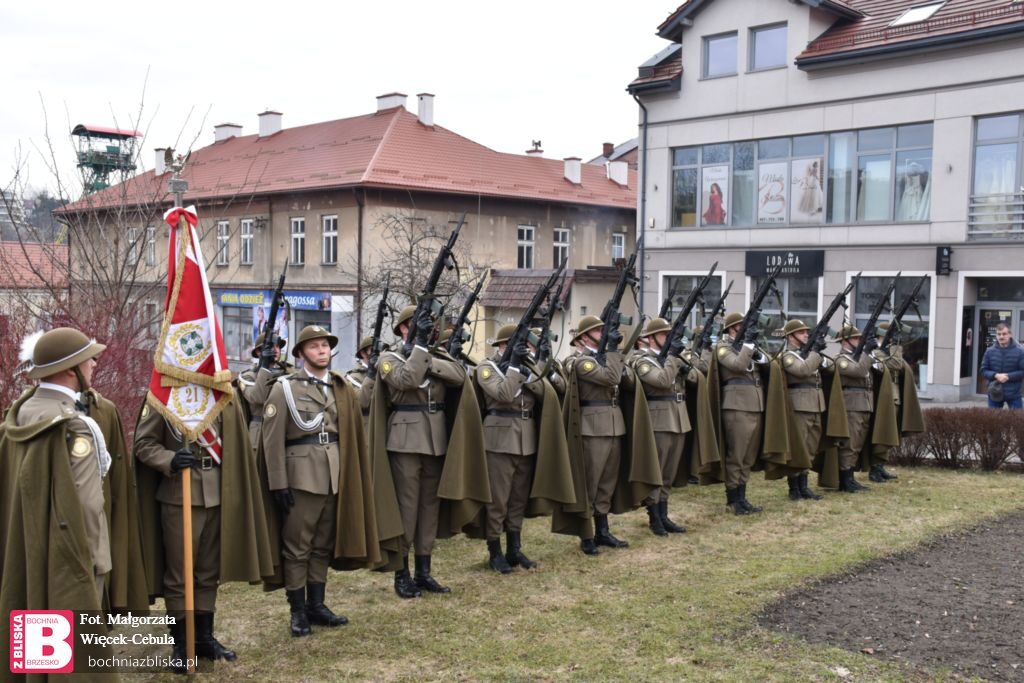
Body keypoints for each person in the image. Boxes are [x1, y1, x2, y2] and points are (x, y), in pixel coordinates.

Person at [134, 376, 274, 670]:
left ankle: (204, 637)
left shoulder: (223, 395)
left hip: (219, 491)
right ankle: (181, 643)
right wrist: (170, 459)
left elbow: (236, 442)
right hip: (180, 493)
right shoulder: (162, 395)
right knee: (180, 574)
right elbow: (143, 444)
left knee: (208, 572)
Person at [262, 325, 384, 637]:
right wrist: (278, 483)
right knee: (297, 546)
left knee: (321, 545)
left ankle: (317, 605)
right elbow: (272, 441)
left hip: (335, 473)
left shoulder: (339, 386)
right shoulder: (284, 388)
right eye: (314, 346)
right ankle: (297, 611)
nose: (321, 351)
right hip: (301, 476)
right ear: (301, 353)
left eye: (325, 345)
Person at [373, 305, 488, 598]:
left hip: (436, 440)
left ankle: (424, 572)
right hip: (405, 441)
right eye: (419, 324)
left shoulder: (435, 355)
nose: (430, 328)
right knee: (407, 510)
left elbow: (459, 375)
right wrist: (420, 350)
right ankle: (402, 574)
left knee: (429, 510)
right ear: (403, 328)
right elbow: (406, 380)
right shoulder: (389, 358)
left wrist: (426, 356)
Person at [1, 329, 111, 606]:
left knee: (33, 628)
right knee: (75, 631)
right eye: (88, 359)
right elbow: (86, 503)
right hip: (70, 557)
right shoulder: (74, 426)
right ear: (70, 370)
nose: (93, 364)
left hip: (24, 547)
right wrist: (90, 559)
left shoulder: (20, 413)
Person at [473, 325, 573, 573]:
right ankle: (495, 551)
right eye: (522, 345)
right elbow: (504, 393)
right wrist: (515, 367)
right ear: (503, 345)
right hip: (498, 439)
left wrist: (532, 368)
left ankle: (514, 549)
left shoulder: (528, 367)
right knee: (498, 500)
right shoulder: (487, 368)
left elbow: (547, 391)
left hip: (526, 438)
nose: (527, 349)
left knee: (518, 499)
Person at [557, 315, 659, 555]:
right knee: (590, 483)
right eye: (598, 331)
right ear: (584, 338)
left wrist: (615, 356)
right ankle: (586, 534)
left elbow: (630, 382)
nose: (603, 334)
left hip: (615, 424)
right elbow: (610, 378)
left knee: (607, 483)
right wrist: (613, 352)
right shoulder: (581, 362)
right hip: (592, 428)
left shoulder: (606, 358)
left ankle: (602, 530)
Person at [631, 318, 691, 536]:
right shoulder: (643, 362)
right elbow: (663, 381)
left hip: (678, 418)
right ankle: (654, 517)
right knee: (657, 471)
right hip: (659, 420)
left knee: (669, 472)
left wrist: (680, 361)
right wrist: (672, 357)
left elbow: (693, 377)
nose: (668, 338)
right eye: (664, 334)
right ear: (651, 338)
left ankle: (664, 514)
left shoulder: (669, 359)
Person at [714, 313, 765, 514]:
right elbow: (738, 365)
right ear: (732, 329)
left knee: (748, 457)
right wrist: (748, 344)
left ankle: (742, 498)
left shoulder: (746, 346)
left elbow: (767, 361)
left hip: (755, 405)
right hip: (737, 406)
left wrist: (753, 346)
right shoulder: (723, 347)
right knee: (737, 455)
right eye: (741, 327)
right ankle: (733, 500)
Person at [777, 320, 825, 501]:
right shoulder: (788, 356)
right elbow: (803, 370)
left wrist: (816, 351)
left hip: (816, 404)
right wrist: (815, 352)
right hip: (800, 405)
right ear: (791, 336)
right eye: (801, 332)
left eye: (807, 332)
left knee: (810, 447)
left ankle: (804, 486)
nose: (806, 335)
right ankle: (794, 488)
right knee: (799, 447)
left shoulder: (806, 354)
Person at [834, 326, 874, 492]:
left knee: (857, 444)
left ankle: (851, 477)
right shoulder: (841, 360)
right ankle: (845, 479)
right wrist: (867, 352)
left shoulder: (857, 358)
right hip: (851, 405)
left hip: (864, 404)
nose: (859, 341)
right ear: (845, 341)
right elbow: (859, 371)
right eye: (856, 338)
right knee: (849, 444)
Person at [237, 332, 291, 447]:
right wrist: (265, 367)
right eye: (271, 346)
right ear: (258, 352)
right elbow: (258, 397)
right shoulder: (248, 376)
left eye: (278, 346)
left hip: (286, 432)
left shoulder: (289, 373)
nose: (275, 350)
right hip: (260, 433)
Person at [980, 322, 1024, 410]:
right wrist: (996, 375)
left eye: (1004, 334)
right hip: (994, 391)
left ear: (1010, 334)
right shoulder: (989, 351)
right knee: (993, 418)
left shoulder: (1020, 351)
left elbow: (1022, 371)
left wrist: (1008, 376)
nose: (1001, 336)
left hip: (1014, 393)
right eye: (999, 334)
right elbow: (983, 370)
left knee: (1017, 418)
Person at [345, 336, 379, 432]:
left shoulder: (385, 372)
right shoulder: (353, 377)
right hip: (368, 428)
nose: (378, 354)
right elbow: (362, 402)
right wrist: (371, 375)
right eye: (373, 350)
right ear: (363, 353)